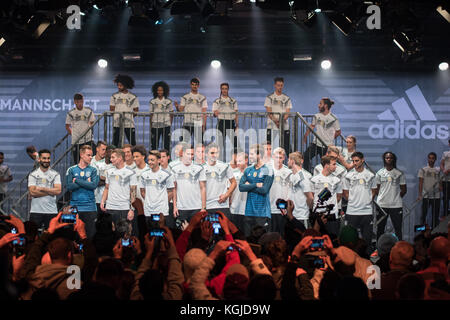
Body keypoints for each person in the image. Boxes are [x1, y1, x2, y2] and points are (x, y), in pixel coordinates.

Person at [342, 152, 377, 253]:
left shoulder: (370, 175)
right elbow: (345, 192)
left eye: (357, 161)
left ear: (362, 160)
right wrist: (353, 201)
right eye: (353, 161)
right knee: (350, 241)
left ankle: (366, 260)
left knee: (367, 240)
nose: (354, 163)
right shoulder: (348, 175)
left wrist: (367, 200)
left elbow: (374, 190)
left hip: (366, 212)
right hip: (352, 211)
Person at [239, 144, 274, 237]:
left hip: (262, 213)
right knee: (248, 241)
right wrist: (255, 185)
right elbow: (241, 187)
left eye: (251, 154)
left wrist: (249, 186)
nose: (249, 156)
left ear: (259, 155)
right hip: (248, 212)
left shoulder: (268, 170)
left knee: (262, 242)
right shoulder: (248, 170)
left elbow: (264, 190)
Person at [66, 145, 99, 238]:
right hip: (74, 208)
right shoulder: (71, 169)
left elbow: (93, 185)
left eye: (91, 155)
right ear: (81, 155)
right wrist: (86, 182)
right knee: (73, 236)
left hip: (90, 207)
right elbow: (69, 187)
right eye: (88, 155)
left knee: (90, 236)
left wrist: (76, 180)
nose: (91, 157)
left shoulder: (94, 170)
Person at [101, 148, 138, 228]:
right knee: (111, 234)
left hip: (124, 208)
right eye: (111, 157)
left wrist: (132, 209)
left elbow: (133, 192)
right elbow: (107, 188)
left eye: (113, 157)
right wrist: (102, 201)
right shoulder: (109, 171)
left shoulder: (131, 172)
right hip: (110, 207)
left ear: (120, 158)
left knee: (123, 234)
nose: (111, 160)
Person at [303, 98, 341, 172]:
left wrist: (330, 139)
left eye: (320, 103)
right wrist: (305, 136)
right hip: (316, 143)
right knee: (305, 156)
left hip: (327, 146)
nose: (318, 105)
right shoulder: (317, 116)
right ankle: (308, 173)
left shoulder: (334, 118)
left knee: (325, 163)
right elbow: (312, 126)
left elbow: (338, 132)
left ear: (326, 106)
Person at [139, 150, 175, 228]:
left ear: (159, 160)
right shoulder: (144, 175)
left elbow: (171, 192)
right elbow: (142, 191)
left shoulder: (167, 175)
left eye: (152, 160)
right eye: (148, 160)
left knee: (162, 235)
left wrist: (162, 202)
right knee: (150, 235)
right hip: (148, 211)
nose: (150, 162)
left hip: (162, 211)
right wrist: (150, 201)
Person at [375, 152, 407, 240]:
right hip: (382, 205)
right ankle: (379, 248)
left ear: (394, 159)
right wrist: (383, 196)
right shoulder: (379, 173)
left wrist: (395, 197)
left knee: (398, 229)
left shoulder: (399, 173)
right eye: (387, 158)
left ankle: (399, 248)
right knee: (380, 229)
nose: (389, 159)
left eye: (390, 158)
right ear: (384, 159)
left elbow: (404, 190)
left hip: (396, 205)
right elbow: (376, 189)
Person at [171, 144, 207, 223]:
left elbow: (203, 188)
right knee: (182, 234)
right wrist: (175, 206)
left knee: (196, 234)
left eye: (192, 154)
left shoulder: (199, 168)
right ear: (182, 154)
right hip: (181, 208)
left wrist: (203, 208)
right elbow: (174, 189)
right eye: (188, 154)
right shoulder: (174, 169)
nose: (190, 156)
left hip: (196, 207)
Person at [28, 149, 61, 230]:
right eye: (44, 158)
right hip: (36, 211)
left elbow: (58, 190)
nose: (47, 160)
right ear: (39, 159)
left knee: (51, 239)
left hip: (51, 211)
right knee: (33, 238)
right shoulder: (33, 175)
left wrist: (41, 188)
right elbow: (32, 192)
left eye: (48, 158)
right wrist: (51, 191)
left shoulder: (55, 174)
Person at [310, 155, 343, 237]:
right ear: (326, 165)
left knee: (332, 240)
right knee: (316, 238)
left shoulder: (337, 180)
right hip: (318, 214)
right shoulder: (314, 179)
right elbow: (312, 196)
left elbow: (338, 197)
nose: (336, 166)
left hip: (331, 214)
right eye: (334, 164)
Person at [203, 143, 236, 217]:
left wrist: (226, 195)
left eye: (217, 153)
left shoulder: (225, 166)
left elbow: (234, 182)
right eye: (212, 153)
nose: (214, 155)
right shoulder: (201, 168)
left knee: (224, 228)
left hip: (222, 205)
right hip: (207, 206)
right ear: (206, 154)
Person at [175, 78, 207, 145]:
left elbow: (204, 112)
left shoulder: (202, 97)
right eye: (193, 84)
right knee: (184, 144)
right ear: (190, 85)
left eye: (196, 85)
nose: (194, 86)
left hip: (198, 122)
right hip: (187, 122)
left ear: (198, 86)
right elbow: (180, 110)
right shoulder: (185, 97)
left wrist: (204, 125)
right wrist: (177, 107)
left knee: (199, 144)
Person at [65, 93, 96, 164]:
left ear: (83, 101)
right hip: (76, 141)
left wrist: (87, 128)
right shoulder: (71, 113)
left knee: (91, 160)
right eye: (78, 102)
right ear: (75, 102)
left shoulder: (88, 111)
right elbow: (67, 126)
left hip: (88, 139)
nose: (80, 104)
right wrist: (73, 134)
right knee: (77, 162)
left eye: (81, 101)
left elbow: (92, 121)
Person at [286, 152, 314, 229]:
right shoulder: (291, 176)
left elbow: (310, 197)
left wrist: (307, 209)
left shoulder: (303, 177)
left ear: (292, 161)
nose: (287, 162)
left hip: (301, 216)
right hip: (291, 215)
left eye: (288, 160)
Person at [265, 77, 292, 154]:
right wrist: (276, 122)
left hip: (284, 127)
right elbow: (269, 112)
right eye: (278, 85)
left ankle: (291, 163)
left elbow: (287, 113)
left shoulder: (287, 98)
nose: (279, 87)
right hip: (271, 126)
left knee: (286, 147)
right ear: (275, 85)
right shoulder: (269, 98)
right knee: (270, 147)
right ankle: (269, 164)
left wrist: (280, 122)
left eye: (281, 85)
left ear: (283, 86)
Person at [110, 74, 139, 147]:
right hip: (117, 123)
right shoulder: (114, 96)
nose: (119, 87)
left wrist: (128, 116)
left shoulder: (133, 97)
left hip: (129, 123)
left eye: (120, 85)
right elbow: (111, 110)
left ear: (125, 85)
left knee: (132, 143)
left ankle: (134, 157)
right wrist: (117, 116)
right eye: (118, 85)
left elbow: (136, 111)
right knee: (115, 143)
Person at [269, 147, 292, 235]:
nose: (278, 160)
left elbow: (290, 189)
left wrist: (287, 203)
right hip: (270, 208)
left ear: (284, 158)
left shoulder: (288, 172)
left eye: (281, 158)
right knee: (270, 234)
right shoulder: (268, 171)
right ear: (273, 157)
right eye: (276, 157)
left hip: (282, 209)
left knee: (282, 234)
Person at [212, 83, 238, 159]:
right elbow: (214, 114)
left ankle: (235, 161)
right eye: (223, 88)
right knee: (220, 144)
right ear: (221, 89)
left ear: (228, 89)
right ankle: (219, 161)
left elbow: (236, 113)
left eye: (225, 88)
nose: (224, 90)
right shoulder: (217, 101)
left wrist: (237, 125)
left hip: (230, 123)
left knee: (235, 143)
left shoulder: (233, 101)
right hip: (221, 122)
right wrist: (215, 113)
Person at [417, 152, 442, 228]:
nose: (431, 160)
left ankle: (434, 233)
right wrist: (420, 194)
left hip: (436, 196)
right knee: (423, 215)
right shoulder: (423, 169)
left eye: (433, 158)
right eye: (430, 158)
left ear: (435, 159)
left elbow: (440, 180)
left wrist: (440, 186)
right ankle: (422, 232)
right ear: (428, 159)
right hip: (426, 196)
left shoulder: (438, 170)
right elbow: (420, 183)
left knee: (435, 216)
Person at [150, 81, 173, 151]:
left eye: (161, 90)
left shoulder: (168, 101)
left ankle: (167, 159)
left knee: (166, 144)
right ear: (156, 91)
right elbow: (151, 114)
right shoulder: (152, 101)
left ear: (164, 91)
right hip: (155, 125)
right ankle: (154, 159)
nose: (159, 92)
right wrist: (151, 125)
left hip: (166, 125)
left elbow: (171, 114)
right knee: (154, 144)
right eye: (158, 90)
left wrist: (169, 124)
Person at [229, 152, 248, 232]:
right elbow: (229, 189)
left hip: (247, 209)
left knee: (247, 234)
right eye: (237, 161)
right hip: (234, 208)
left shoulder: (252, 172)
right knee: (235, 233)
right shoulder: (232, 173)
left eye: (240, 161)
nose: (238, 163)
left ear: (246, 160)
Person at [90, 141, 109, 213]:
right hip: (93, 199)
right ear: (97, 149)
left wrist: (100, 179)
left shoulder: (108, 162)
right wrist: (105, 180)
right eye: (103, 149)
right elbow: (93, 181)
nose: (104, 152)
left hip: (105, 199)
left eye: (105, 150)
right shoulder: (90, 161)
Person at [440, 139, 450, 217]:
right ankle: (445, 215)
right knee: (445, 198)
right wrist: (443, 170)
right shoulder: (445, 153)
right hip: (445, 179)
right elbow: (441, 164)